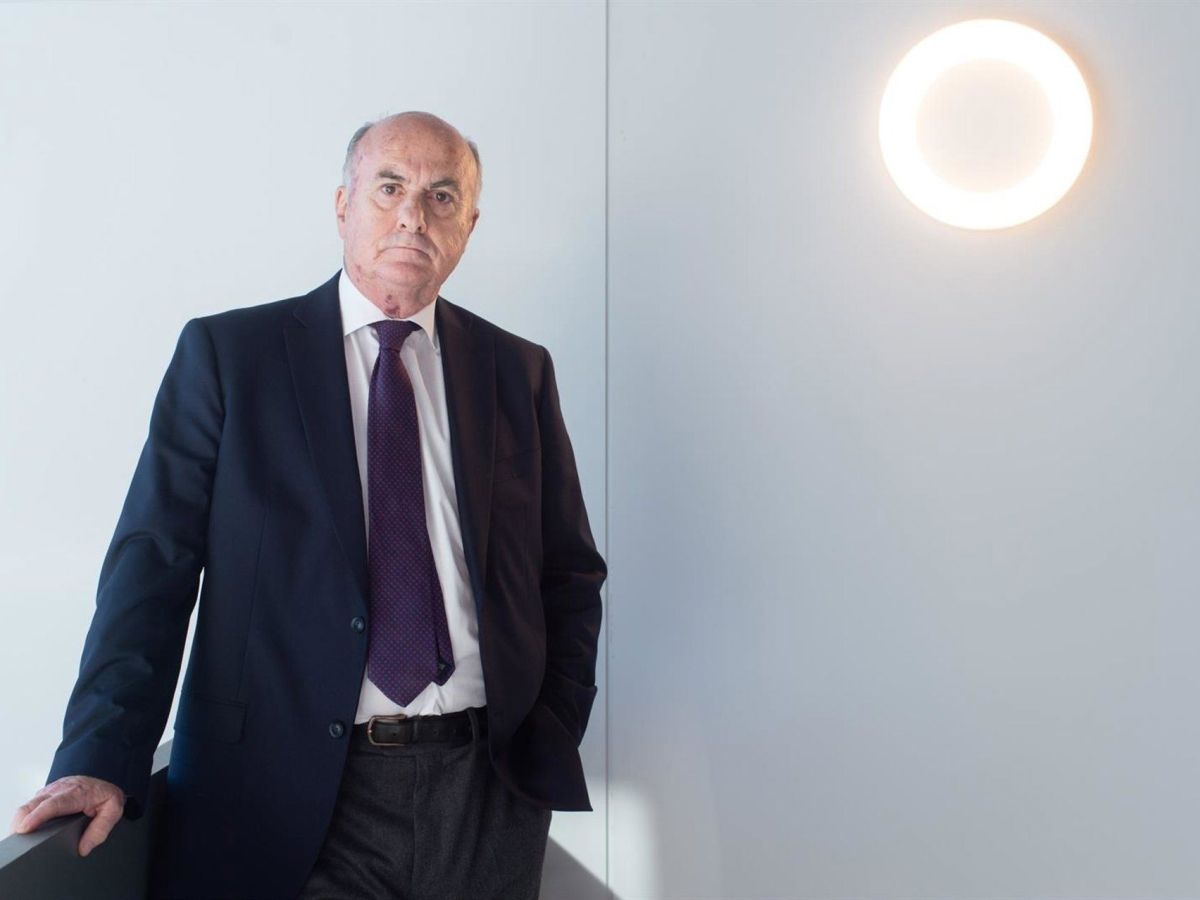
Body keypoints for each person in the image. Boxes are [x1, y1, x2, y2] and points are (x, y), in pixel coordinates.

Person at [7, 111, 606, 900]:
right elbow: (153, 569)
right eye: (389, 187)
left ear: (468, 226)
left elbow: (568, 573)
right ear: (342, 205)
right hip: (287, 797)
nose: (412, 216)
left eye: (441, 196)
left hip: (487, 800)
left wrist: (551, 726)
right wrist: (98, 754)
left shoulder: (516, 371)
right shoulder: (231, 359)